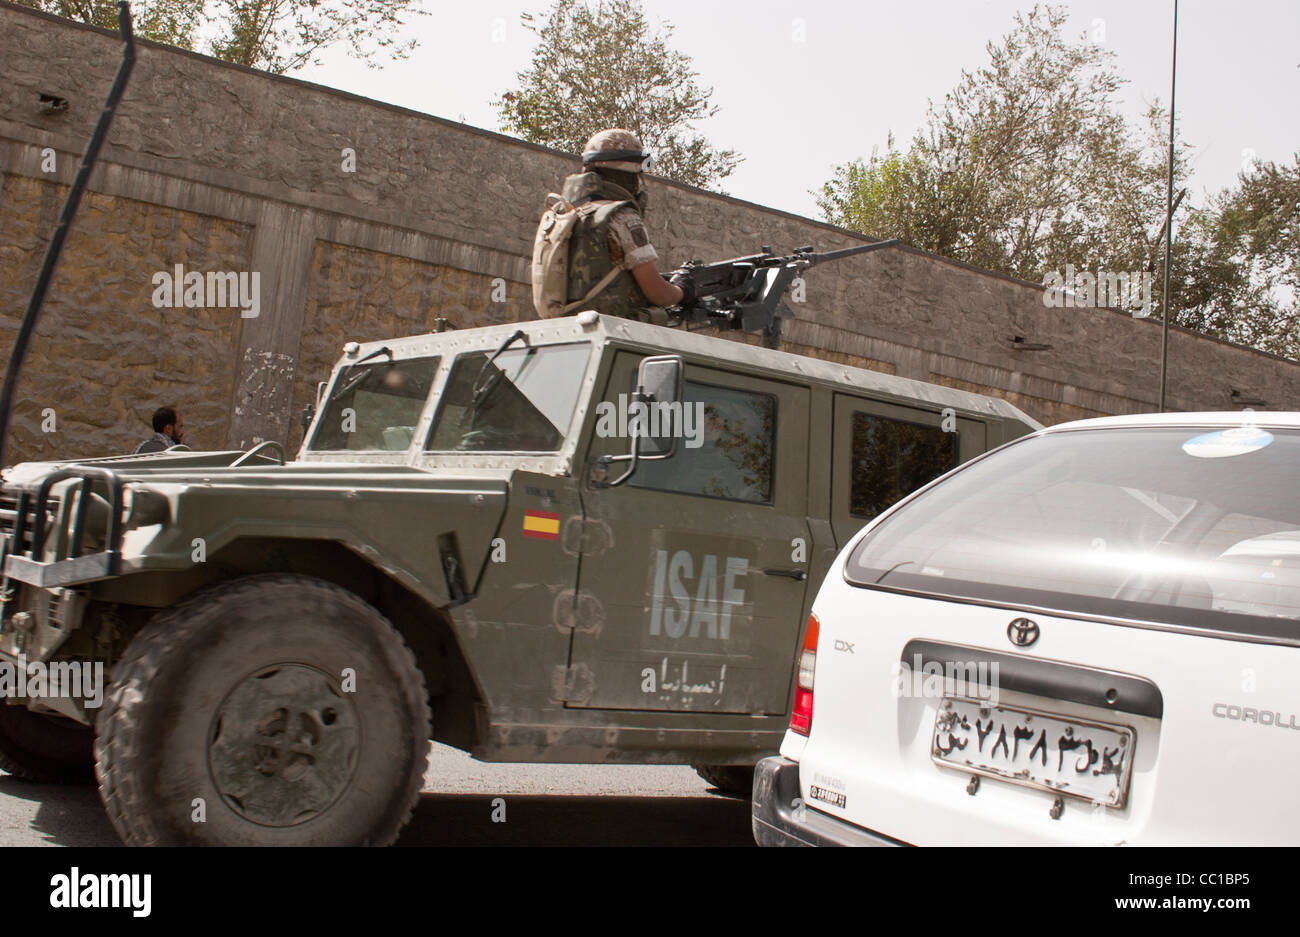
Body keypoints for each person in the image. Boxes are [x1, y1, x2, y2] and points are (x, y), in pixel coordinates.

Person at [556, 129, 692, 322]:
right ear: (627, 175)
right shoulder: (622, 218)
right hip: (611, 326)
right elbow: (659, 294)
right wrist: (682, 290)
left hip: (567, 323)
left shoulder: (563, 213)